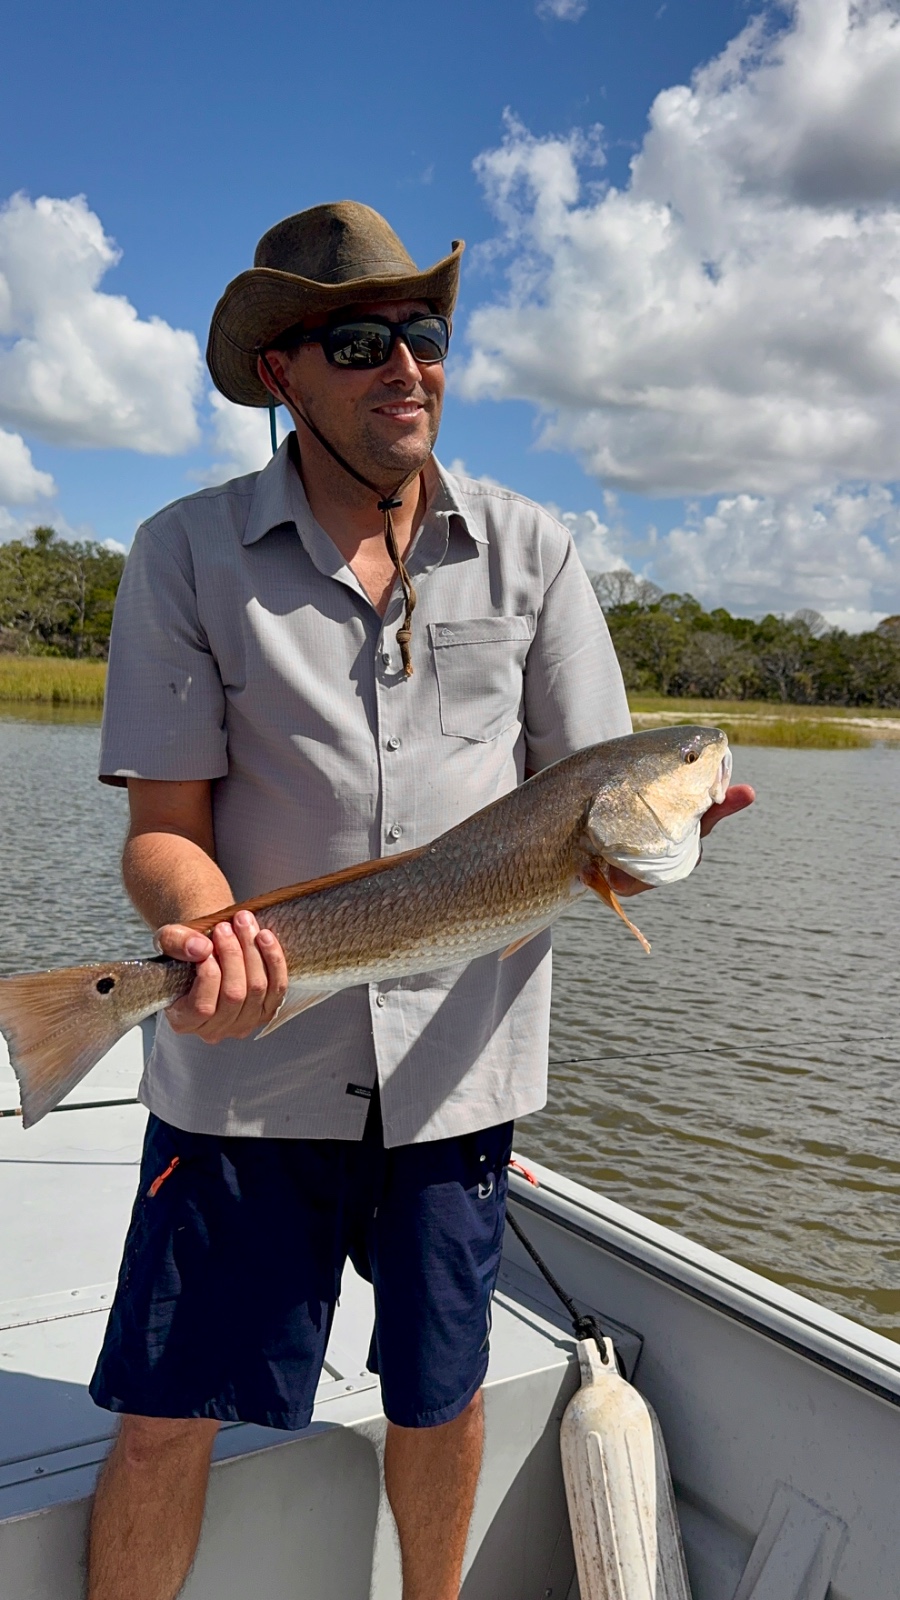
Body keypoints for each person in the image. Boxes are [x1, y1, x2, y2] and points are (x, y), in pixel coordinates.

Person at [86, 201, 752, 1600]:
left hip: (459, 1079)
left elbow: (601, 806)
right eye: (361, 338)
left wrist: (653, 836)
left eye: (427, 333)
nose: (408, 365)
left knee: (438, 1403)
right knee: (165, 1422)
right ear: (285, 373)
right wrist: (213, 935)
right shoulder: (183, 553)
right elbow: (164, 833)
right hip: (244, 1077)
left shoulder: (536, 552)